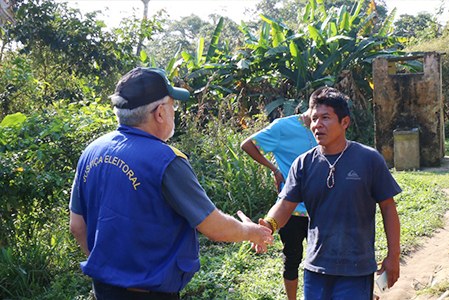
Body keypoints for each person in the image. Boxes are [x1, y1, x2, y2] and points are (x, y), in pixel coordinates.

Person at [68, 67, 273, 299]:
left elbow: (77, 226)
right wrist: (253, 232)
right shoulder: (166, 161)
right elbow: (214, 228)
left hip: (103, 290)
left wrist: (109, 271)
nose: (174, 112)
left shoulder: (92, 151)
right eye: (172, 106)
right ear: (159, 112)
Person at [258, 87, 401, 299]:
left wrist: (393, 255)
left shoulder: (368, 160)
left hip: (356, 268)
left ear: (345, 122)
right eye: (314, 118)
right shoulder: (304, 163)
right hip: (316, 267)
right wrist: (267, 226)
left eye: (326, 118)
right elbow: (285, 205)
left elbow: (388, 207)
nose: (317, 125)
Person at [240, 106, 317, 299]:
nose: (320, 122)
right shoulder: (283, 127)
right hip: (290, 210)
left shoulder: (327, 130)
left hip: (321, 208)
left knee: (322, 261)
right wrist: (274, 169)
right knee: (292, 259)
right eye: (318, 115)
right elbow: (247, 144)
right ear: (312, 107)